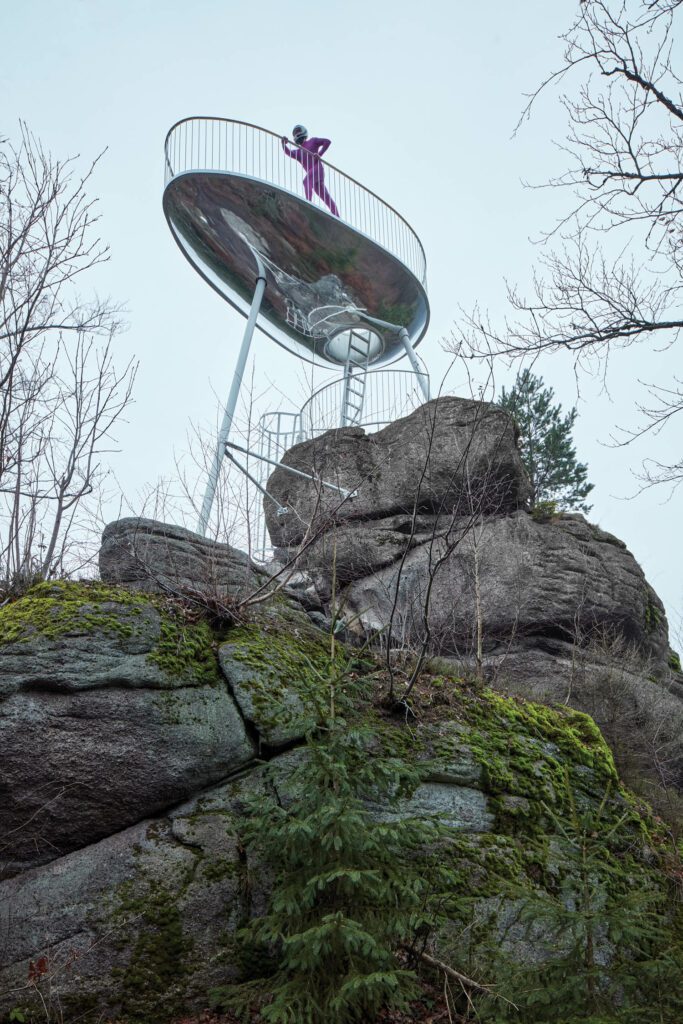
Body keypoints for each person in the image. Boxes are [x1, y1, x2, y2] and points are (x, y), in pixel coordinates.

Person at [281, 124, 340, 217]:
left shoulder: (313, 141)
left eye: (298, 131)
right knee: (325, 196)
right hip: (313, 176)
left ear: (303, 131)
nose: (297, 134)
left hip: (317, 169)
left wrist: (319, 154)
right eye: (295, 133)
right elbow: (288, 152)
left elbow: (327, 142)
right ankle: (337, 217)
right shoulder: (298, 152)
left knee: (306, 182)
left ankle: (308, 204)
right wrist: (283, 144)